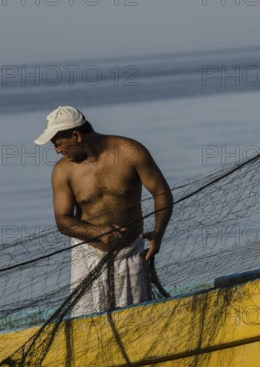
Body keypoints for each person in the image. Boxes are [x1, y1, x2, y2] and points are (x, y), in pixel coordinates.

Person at [34, 106, 173, 316]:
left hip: (131, 251)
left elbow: (161, 193)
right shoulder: (63, 171)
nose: (58, 151)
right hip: (88, 255)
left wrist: (158, 233)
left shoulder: (130, 152)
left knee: (134, 318)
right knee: (87, 323)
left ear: (76, 135)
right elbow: (63, 221)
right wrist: (98, 232)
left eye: (59, 144)